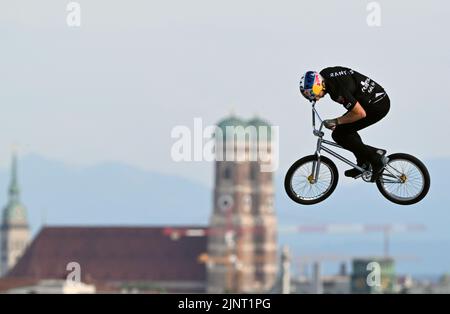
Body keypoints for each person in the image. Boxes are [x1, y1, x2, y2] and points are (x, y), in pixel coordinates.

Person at [299, 66, 390, 182]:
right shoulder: (326, 74)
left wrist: (336, 121)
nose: (316, 99)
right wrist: (340, 122)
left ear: (318, 85)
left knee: (339, 135)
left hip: (377, 106)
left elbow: (360, 114)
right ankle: (363, 162)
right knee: (344, 129)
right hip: (375, 98)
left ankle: (375, 157)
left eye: (313, 94)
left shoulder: (336, 91)